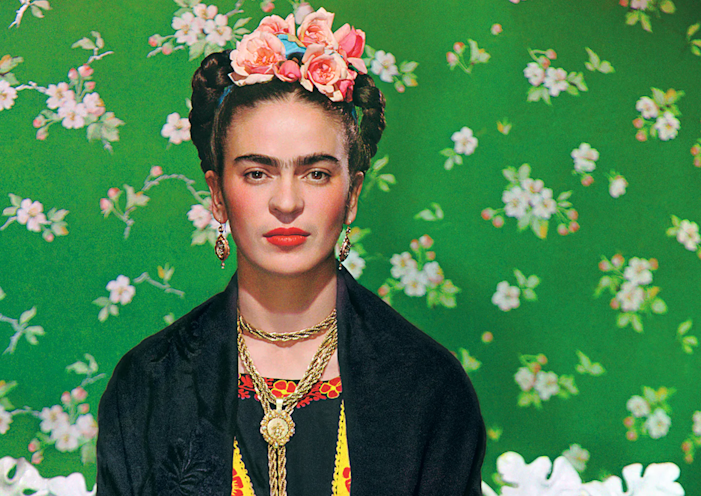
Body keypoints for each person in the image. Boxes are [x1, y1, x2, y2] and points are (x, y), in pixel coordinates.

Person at [96, 8, 485, 496]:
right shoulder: (147, 384)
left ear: (352, 194)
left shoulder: (427, 385)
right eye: (257, 173)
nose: (286, 202)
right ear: (217, 194)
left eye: (316, 173)